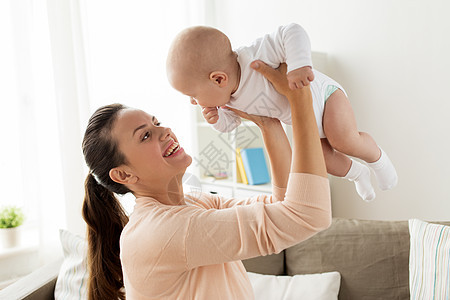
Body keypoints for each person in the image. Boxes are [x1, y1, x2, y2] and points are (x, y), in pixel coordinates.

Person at [81, 62, 331, 299]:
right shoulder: (163, 231)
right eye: (146, 135)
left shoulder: (193, 204)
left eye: (157, 123)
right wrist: (299, 99)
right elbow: (307, 215)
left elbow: (283, 204)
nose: (165, 131)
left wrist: (268, 123)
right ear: (124, 175)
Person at [166, 23, 398, 202]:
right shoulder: (229, 101)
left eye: (193, 94)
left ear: (218, 79)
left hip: (326, 98)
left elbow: (292, 31)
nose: (192, 102)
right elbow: (230, 125)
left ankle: (378, 160)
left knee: (343, 139)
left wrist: (299, 66)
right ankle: (357, 174)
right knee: (324, 160)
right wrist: (217, 120)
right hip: (305, 122)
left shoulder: (254, 57)